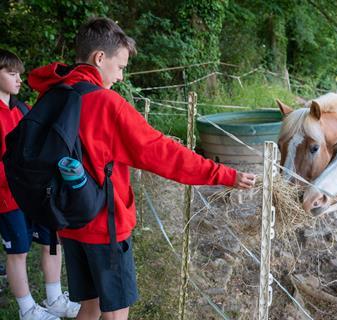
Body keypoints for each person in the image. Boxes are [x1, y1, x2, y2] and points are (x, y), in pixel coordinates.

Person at [28, 17, 256, 320]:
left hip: (68, 220)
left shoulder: (52, 93)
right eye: (120, 67)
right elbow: (162, 153)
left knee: (90, 306)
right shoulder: (107, 104)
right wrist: (223, 174)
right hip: (103, 227)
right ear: (99, 58)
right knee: (115, 313)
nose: (121, 77)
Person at [0, 49, 80, 320]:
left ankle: (54, 298)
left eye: (20, 74)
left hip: (35, 192)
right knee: (18, 250)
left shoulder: (22, 108)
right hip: (8, 196)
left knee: (52, 241)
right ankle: (27, 309)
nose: (18, 79)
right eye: (11, 74)